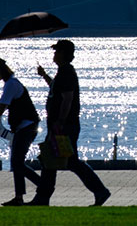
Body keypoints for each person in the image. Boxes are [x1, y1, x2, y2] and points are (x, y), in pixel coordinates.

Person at [27, 39, 110, 206]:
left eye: (57, 51)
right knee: (50, 161)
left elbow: (67, 99)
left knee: (66, 161)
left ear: (64, 54)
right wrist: (44, 76)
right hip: (59, 124)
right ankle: (42, 198)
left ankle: (100, 191)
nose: (54, 54)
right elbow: (56, 89)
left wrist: (60, 122)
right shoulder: (62, 72)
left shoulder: (67, 72)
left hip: (63, 125)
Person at [0, 57, 41, 206]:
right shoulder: (10, 83)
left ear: (0, 70)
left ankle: (40, 187)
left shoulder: (11, 84)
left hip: (27, 127)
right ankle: (22, 196)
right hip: (23, 127)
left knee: (17, 162)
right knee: (17, 162)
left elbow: (1, 106)